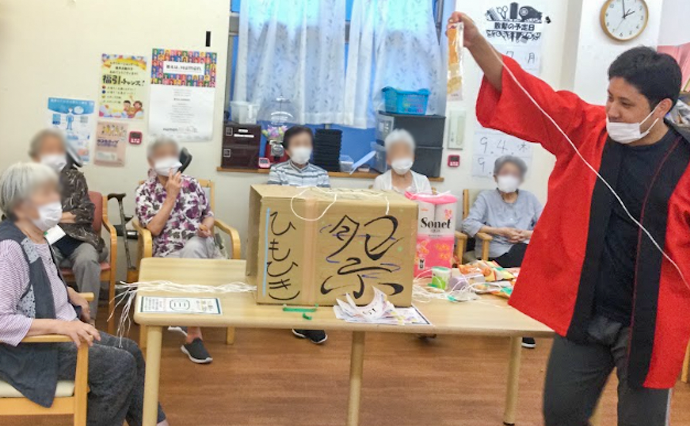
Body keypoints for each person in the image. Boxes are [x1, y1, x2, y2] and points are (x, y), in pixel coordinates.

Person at [450, 11, 690, 426]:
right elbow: (529, 94)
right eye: (610, 97)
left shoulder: (684, 163)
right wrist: (476, 43)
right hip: (585, 310)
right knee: (560, 414)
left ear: (662, 107)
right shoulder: (586, 130)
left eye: (626, 103)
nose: (612, 110)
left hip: (651, 323)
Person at [0, 162, 168, 426]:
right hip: (31, 350)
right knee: (118, 366)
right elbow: (1, 320)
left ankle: (154, 423)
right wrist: (62, 326)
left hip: (57, 333)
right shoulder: (9, 249)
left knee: (131, 350)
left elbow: (33, 282)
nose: (56, 201)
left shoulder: (36, 236)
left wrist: (69, 292)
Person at [135, 138, 219, 364]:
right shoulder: (144, 191)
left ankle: (191, 330)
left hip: (199, 244)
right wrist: (171, 196)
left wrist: (206, 227)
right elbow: (153, 228)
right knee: (186, 257)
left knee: (193, 248)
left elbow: (209, 215)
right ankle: (192, 332)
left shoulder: (192, 184)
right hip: (167, 250)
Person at [29, 129, 108, 321]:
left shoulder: (75, 178)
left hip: (79, 238)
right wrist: (57, 217)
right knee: (39, 261)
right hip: (47, 239)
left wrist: (53, 216)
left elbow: (86, 213)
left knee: (87, 261)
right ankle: (53, 318)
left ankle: (89, 319)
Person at [267, 126, 328, 344]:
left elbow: (326, 205)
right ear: (287, 149)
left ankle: (311, 319)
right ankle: (299, 318)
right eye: (297, 144)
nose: (302, 148)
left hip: (314, 231)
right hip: (286, 230)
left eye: (306, 144)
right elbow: (275, 202)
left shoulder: (321, 174)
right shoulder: (278, 172)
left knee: (317, 263)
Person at [462, 155, 542, 268]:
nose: (510, 178)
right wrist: (499, 231)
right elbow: (468, 224)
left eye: (514, 174)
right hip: (495, 251)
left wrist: (526, 234)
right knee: (529, 256)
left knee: (536, 251)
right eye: (505, 173)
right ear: (495, 177)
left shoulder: (530, 198)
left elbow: (547, 227)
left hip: (524, 247)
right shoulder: (486, 197)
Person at [372, 129, 432, 194]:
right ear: (388, 159)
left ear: (413, 157)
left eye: (406, 152)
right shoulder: (381, 181)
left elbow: (428, 200)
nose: (401, 156)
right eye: (397, 152)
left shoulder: (422, 181)